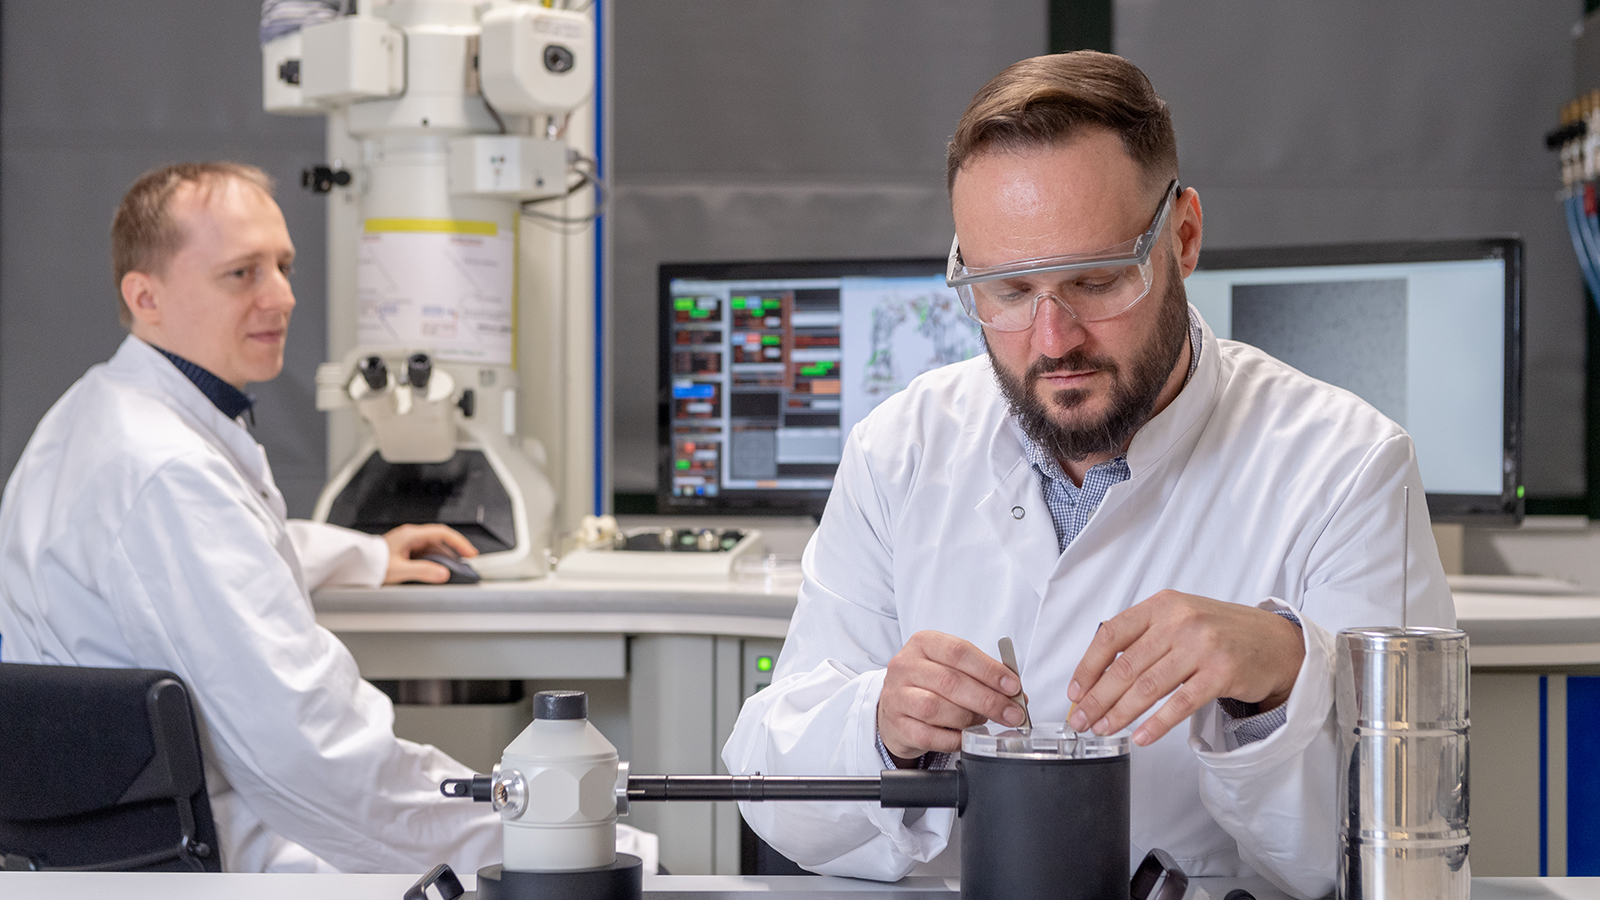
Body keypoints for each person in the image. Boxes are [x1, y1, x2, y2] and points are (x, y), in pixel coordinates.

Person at [721, 51, 1452, 900]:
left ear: (1182, 237)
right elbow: (777, 788)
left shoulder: (1348, 465)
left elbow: (1391, 852)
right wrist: (881, 727)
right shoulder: (902, 448)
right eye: (1006, 289)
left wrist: (1278, 684)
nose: (1052, 338)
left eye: (1096, 281)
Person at [0, 162, 654, 874]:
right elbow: (322, 764)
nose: (281, 296)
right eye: (241, 273)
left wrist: (363, 555)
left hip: (109, 843)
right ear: (145, 295)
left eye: (282, 265)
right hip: (230, 860)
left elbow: (191, 560)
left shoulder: (98, 416)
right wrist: (551, 840)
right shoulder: (166, 474)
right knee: (604, 870)